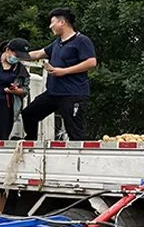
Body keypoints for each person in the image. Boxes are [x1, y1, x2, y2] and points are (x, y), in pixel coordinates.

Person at [22, 8, 97, 141]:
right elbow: (39, 53)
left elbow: (91, 62)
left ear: (62, 22)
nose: (50, 26)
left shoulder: (82, 40)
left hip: (73, 94)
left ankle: (79, 159)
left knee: (75, 133)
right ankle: (30, 143)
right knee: (29, 113)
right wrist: (17, 55)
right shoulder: (57, 43)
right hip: (53, 93)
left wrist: (64, 71)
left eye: (52, 23)